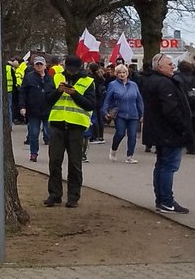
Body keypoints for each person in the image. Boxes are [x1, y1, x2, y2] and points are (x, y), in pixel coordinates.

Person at [139, 52, 195, 213]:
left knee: (162, 165)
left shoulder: (151, 81)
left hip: (159, 131)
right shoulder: (165, 83)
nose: (173, 67)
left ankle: (162, 199)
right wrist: (183, 127)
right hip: (169, 132)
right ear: (160, 66)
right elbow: (170, 110)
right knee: (168, 166)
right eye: (170, 64)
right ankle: (166, 200)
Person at [44, 57, 97, 207]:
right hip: (57, 124)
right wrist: (59, 91)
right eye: (69, 68)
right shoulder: (56, 77)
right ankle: (54, 195)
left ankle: (73, 197)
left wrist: (74, 94)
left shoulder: (88, 81)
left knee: (75, 164)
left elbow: (90, 104)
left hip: (76, 127)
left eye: (74, 68)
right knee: (55, 162)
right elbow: (47, 99)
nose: (71, 71)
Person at [103, 62, 143, 162]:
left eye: (124, 72)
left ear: (127, 73)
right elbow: (107, 99)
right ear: (116, 74)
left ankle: (130, 156)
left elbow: (139, 100)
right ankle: (113, 150)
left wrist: (142, 113)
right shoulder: (113, 85)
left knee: (133, 135)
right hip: (120, 113)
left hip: (133, 114)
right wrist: (104, 111)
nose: (122, 74)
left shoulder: (133, 85)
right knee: (120, 133)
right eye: (119, 72)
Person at [19, 55, 56, 163]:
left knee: (50, 134)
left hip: (47, 110)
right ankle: (33, 153)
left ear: (45, 66)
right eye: (37, 64)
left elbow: (53, 93)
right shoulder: (29, 77)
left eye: (41, 64)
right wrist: (22, 106)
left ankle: (53, 155)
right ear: (34, 66)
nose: (39, 66)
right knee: (33, 134)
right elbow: (23, 93)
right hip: (33, 110)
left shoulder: (50, 78)